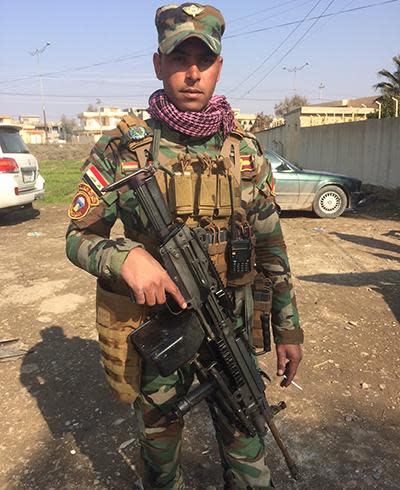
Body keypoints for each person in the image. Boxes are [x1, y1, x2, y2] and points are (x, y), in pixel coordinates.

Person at [66, 3, 304, 489]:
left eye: (204, 59)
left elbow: (271, 248)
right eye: (179, 58)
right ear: (158, 64)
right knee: (159, 460)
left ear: (219, 66)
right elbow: (77, 238)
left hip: (229, 325)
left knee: (249, 451)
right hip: (160, 332)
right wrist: (124, 257)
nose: (192, 72)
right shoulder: (122, 150)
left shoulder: (245, 151)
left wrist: (289, 329)